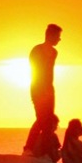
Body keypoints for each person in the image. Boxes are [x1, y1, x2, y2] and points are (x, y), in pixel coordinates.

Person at [23, 24, 62, 155]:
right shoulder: (36, 50)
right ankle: (28, 148)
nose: (59, 39)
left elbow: (50, 73)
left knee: (48, 121)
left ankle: (45, 152)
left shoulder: (54, 52)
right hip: (38, 88)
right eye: (57, 36)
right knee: (41, 119)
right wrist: (42, 88)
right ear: (50, 35)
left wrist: (49, 89)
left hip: (49, 89)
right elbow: (36, 71)